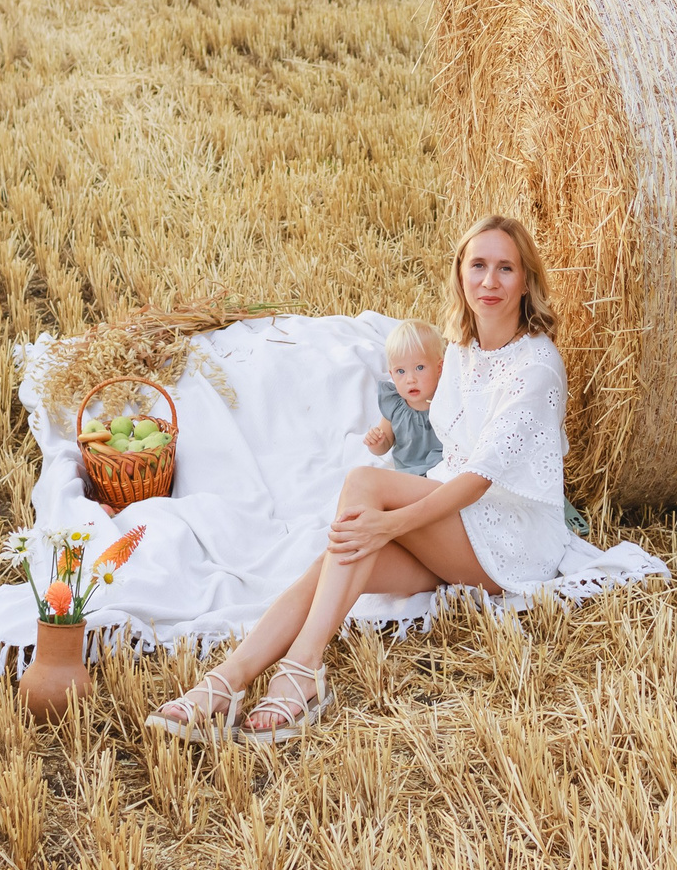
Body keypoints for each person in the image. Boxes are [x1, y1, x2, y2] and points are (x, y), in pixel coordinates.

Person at [147, 213, 577, 745]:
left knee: (365, 490)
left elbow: (480, 480)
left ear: (526, 280)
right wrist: (381, 527)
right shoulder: (461, 352)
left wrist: (388, 523)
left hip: (509, 540)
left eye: (506, 268)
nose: (490, 281)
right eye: (479, 265)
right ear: (460, 274)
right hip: (455, 525)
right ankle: (228, 679)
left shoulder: (536, 365)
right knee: (333, 562)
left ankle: (303, 668)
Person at [363, 320, 445, 472]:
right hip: (407, 476)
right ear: (392, 375)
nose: (410, 379)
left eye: (419, 367)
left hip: (442, 474)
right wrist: (377, 443)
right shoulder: (395, 406)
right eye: (401, 371)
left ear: (439, 368)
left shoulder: (446, 402)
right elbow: (384, 445)